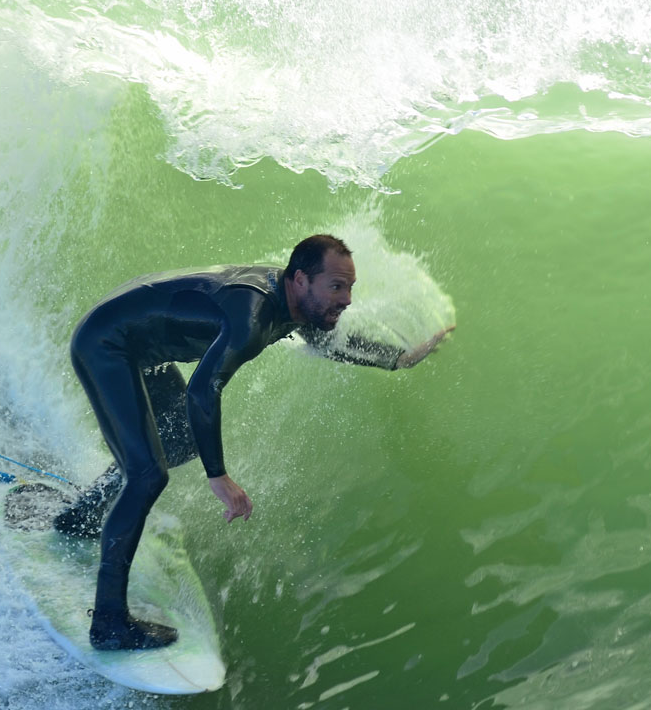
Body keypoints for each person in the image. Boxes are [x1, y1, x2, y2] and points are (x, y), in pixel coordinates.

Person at [56, 234, 453, 651]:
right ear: (301, 280)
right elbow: (202, 391)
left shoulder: (294, 303)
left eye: (350, 287)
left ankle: (79, 516)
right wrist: (219, 477)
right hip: (107, 343)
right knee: (147, 476)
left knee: (178, 443)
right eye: (337, 286)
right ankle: (108, 623)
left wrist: (398, 358)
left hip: (142, 347)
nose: (348, 299)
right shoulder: (251, 315)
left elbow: (327, 343)